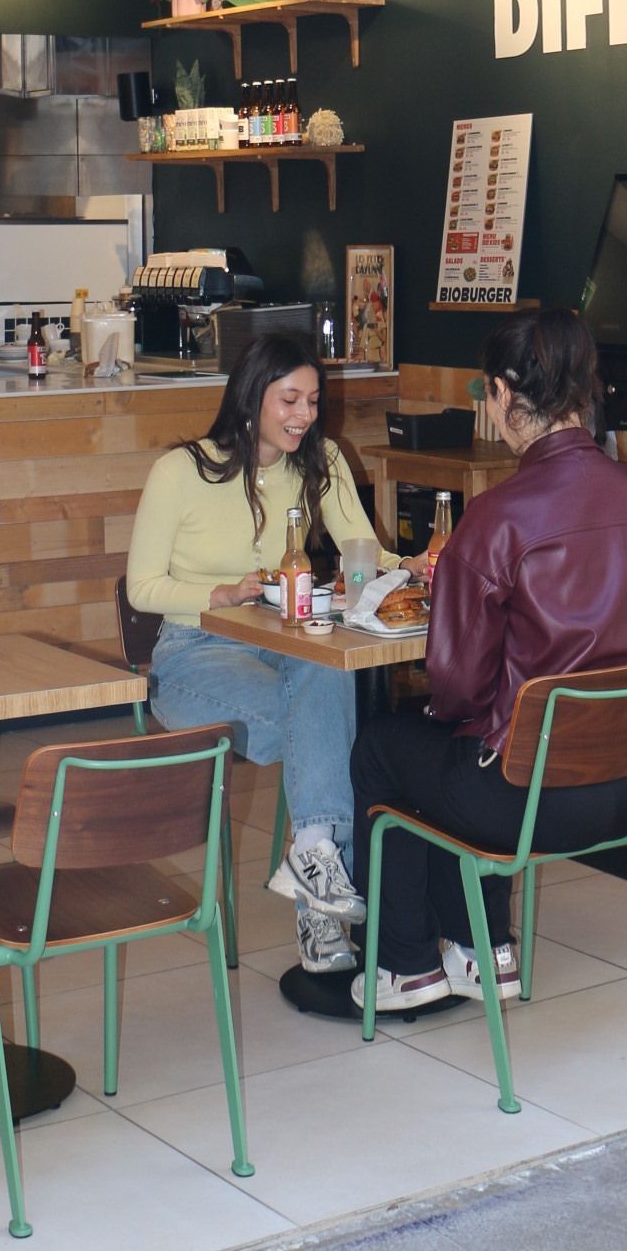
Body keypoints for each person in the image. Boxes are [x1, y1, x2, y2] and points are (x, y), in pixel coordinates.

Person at [350, 309, 627, 1014]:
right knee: (451, 747)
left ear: (501, 392)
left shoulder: (497, 518)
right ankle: (483, 950)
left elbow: (458, 690)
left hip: (523, 799)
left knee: (386, 747)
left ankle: (407, 965)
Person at [126, 329, 402, 976]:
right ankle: (319, 893)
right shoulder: (180, 472)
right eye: (290, 400)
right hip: (192, 651)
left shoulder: (321, 461)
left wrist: (412, 567)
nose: (305, 415)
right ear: (252, 397)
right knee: (337, 736)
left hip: (285, 639)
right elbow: (142, 587)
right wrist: (218, 593)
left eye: (313, 400)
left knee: (325, 666)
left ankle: (312, 860)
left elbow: (365, 552)